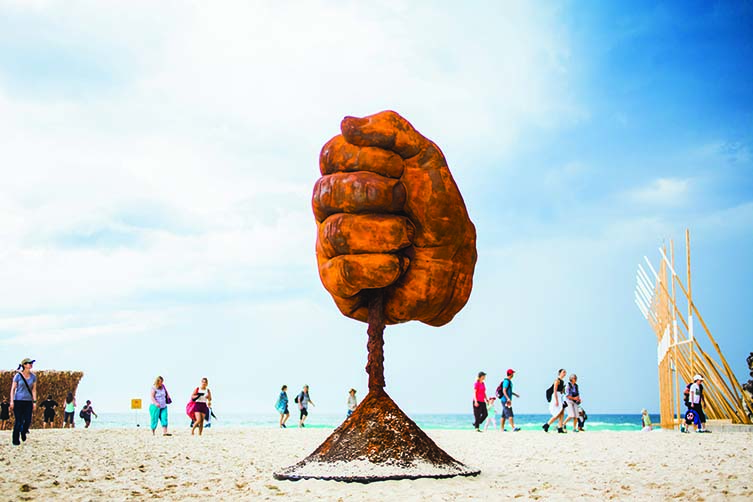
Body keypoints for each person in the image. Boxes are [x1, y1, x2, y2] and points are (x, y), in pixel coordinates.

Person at [10, 357, 37, 445]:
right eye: (29, 363)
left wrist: (35, 402)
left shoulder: (33, 377)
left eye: (31, 363)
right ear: (24, 365)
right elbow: (13, 389)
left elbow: (34, 390)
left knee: (28, 420)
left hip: (28, 401)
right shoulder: (18, 376)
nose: (31, 364)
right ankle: (15, 440)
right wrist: (11, 401)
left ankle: (24, 431)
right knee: (18, 420)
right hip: (18, 400)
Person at [543, 368, 567, 433]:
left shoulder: (562, 381)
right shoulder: (557, 380)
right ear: (560, 373)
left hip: (560, 397)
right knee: (558, 413)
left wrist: (563, 390)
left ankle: (559, 428)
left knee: (562, 412)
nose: (565, 373)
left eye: (565, 372)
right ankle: (547, 424)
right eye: (563, 372)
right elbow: (555, 391)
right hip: (556, 397)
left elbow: (561, 391)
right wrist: (556, 400)